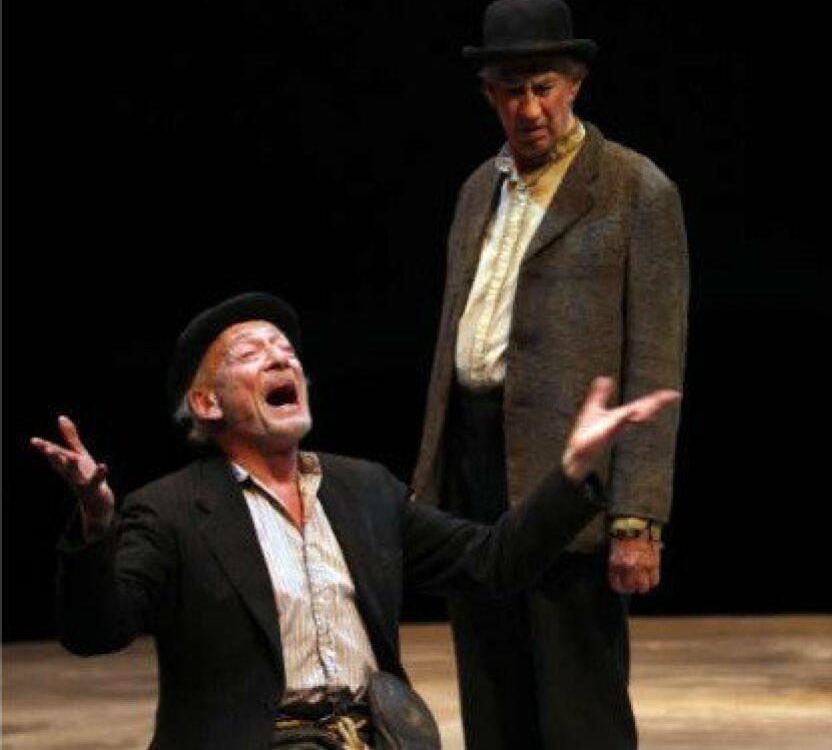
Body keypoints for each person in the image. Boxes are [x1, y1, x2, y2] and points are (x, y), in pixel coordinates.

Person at [31, 292, 679, 750]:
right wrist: (96, 524)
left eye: (286, 350)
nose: (282, 358)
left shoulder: (364, 489)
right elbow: (97, 630)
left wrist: (571, 470)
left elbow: (493, 561)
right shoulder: (172, 509)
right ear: (205, 402)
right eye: (253, 353)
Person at [412, 0, 689, 750]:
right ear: (488, 94)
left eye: (542, 87)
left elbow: (657, 361)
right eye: (510, 89)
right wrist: (429, 486)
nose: (527, 107)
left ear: (574, 84)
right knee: (491, 690)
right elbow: (451, 341)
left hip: (570, 482)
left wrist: (637, 518)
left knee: (578, 702)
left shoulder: (635, 190)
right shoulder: (479, 189)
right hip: (473, 472)